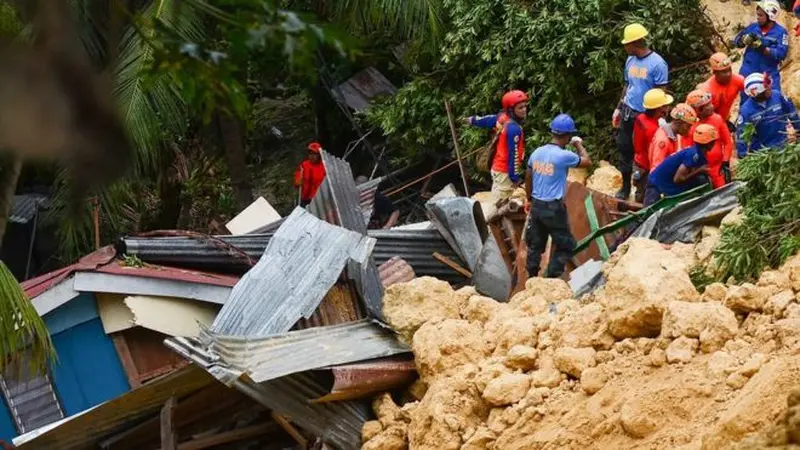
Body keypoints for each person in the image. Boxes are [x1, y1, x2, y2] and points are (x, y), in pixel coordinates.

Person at [524, 114, 592, 279]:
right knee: (567, 245)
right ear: (568, 136)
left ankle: (531, 277)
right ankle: (552, 277)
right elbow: (587, 162)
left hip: (537, 205)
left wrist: (529, 198)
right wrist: (578, 144)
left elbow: (528, 175)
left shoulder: (537, 152)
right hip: (553, 207)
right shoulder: (563, 156)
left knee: (535, 244)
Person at [613, 23, 669, 200]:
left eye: (626, 43)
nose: (624, 47)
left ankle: (643, 191)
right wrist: (618, 108)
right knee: (624, 149)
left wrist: (659, 116)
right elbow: (627, 85)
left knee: (644, 155)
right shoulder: (630, 60)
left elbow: (661, 92)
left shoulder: (658, 64)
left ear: (635, 43)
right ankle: (625, 187)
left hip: (645, 116)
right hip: (628, 112)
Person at [466, 90, 529, 203]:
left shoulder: (503, 118)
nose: (524, 110)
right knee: (498, 206)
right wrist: (515, 178)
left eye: (525, 106)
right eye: (520, 108)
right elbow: (513, 155)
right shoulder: (514, 129)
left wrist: (472, 120)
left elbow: (486, 120)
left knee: (499, 200)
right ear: (511, 110)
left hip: (498, 168)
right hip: (504, 172)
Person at [643, 124, 718, 206]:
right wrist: (699, 171)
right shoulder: (693, 155)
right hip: (657, 185)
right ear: (710, 143)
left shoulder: (697, 153)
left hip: (663, 184)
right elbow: (678, 179)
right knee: (650, 212)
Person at [732, 0, 788, 98]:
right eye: (757, 15)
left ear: (771, 16)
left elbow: (781, 54)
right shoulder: (752, 27)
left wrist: (762, 47)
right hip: (748, 72)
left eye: (761, 15)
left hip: (768, 74)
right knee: (747, 104)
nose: (757, 18)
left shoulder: (781, 32)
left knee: (773, 100)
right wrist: (742, 41)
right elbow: (736, 41)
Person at [736, 72, 800, 157]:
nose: (770, 88)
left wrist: (798, 128)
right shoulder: (746, 111)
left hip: (782, 146)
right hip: (761, 153)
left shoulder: (777, 95)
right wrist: (742, 155)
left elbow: (791, 113)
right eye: (767, 89)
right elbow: (741, 135)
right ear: (758, 94)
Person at [631, 88, 673, 203]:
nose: (668, 107)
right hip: (646, 166)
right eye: (665, 105)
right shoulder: (654, 130)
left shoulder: (640, 119)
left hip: (639, 161)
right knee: (647, 198)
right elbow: (656, 153)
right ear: (660, 109)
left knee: (641, 193)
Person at [685, 89, 734, 187]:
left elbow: (728, 142)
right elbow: (687, 150)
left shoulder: (717, 119)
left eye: (710, 103)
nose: (711, 106)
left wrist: (725, 161)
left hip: (718, 168)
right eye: (707, 105)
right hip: (700, 169)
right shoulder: (688, 126)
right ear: (698, 109)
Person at [699, 52, 745, 130]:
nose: (728, 74)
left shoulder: (737, 80)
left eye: (729, 70)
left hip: (724, 119)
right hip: (707, 125)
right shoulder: (707, 91)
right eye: (723, 72)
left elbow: (751, 90)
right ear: (714, 72)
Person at [649, 103, 698, 171]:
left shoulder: (675, 136)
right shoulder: (663, 141)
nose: (689, 130)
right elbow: (656, 169)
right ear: (680, 122)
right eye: (688, 126)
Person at [293, 142, 326, 207]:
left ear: (319, 155)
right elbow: (298, 176)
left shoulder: (324, 166)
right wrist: (297, 181)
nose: (311, 156)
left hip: (320, 200)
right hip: (305, 199)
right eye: (310, 153)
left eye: (314, 154)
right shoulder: (304, 165)